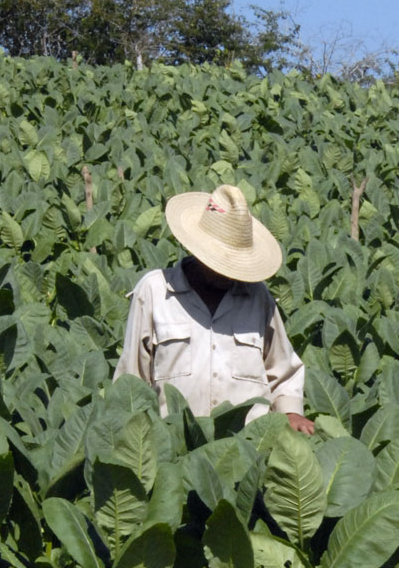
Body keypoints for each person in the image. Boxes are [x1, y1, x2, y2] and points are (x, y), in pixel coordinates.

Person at [114, 184, 313, 434]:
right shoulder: (154, 291)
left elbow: (283, 372)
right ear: (196, 249)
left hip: (250, 449)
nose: (226, 270)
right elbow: (131, 380)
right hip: (175, 449)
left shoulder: (258, 297)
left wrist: (292, 413)